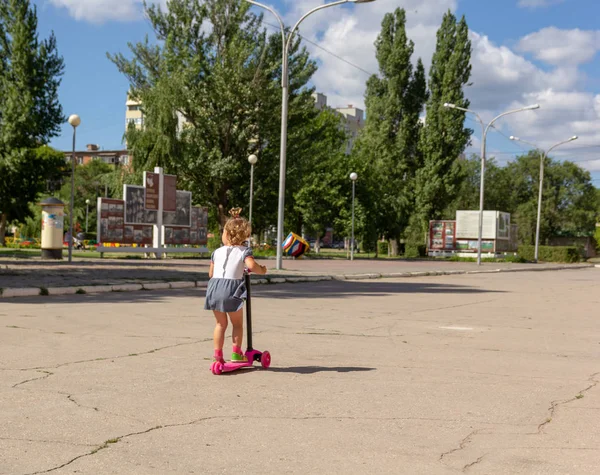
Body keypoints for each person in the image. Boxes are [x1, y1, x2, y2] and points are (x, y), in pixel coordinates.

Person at [205, 208, 267, 364]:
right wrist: (262, 270)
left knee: (220, 324)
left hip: (214, 288)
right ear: (245, 236)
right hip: (231, 290)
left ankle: (218, 356)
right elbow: (251, 266)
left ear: (226, 234)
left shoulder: (216, 252)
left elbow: (211, 273)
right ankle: (236, 354)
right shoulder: (244, 251)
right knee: (237, 324)